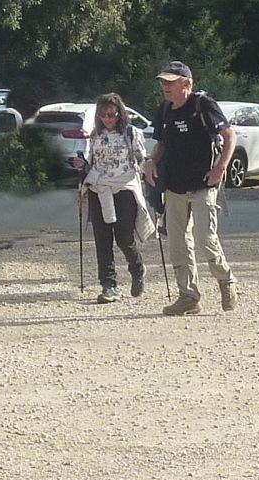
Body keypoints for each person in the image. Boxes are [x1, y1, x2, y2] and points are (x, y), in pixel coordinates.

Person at [143, 61, 238, 315]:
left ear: (187, 84)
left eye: (170, 82)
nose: (165, 86)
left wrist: (220, 168)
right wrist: (152, 162)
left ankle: (226, 281)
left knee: (205, 239)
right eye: (163, 82)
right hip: (174, 187)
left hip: (203, 184)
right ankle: (188, 296)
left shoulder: (202, 105)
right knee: (178, 243)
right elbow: (161, 143)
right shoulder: (165, 110)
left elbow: (230, 136)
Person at [74, 93, 154, 303]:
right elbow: (91, 161)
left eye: (111, 114)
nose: (107, 119)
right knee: (102, 239)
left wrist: (151, 177)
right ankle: (109, 285)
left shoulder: (131, 132)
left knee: (124, 238)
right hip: (98, 188)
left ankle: (137, 269)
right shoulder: (94, 135)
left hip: (124, 187)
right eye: (103, 115)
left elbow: (140, 159)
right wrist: (82, 166)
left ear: (120, 114)